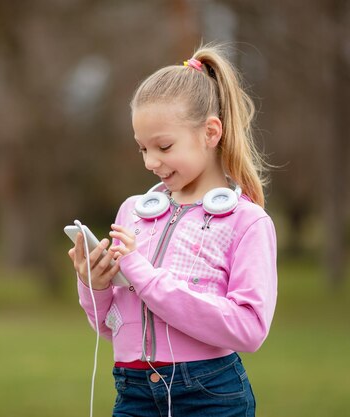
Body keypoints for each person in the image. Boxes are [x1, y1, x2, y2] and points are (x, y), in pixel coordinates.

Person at [68, 43, 278, 417]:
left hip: (209, 394)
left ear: (211, 132)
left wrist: (145, 276)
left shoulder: (248, 222)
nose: (151, 162)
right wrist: (94, 286)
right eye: (142, 149)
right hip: (132, 391)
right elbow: (110, 327)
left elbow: (250, 329)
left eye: (163, 146)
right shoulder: (133, 211)